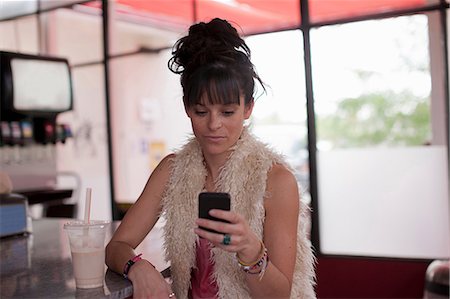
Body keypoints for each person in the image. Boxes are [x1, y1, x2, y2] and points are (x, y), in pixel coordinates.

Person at [105, 18, 316, 299]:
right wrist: (137, 266)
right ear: (187, 108)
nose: (214, 125)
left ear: (248, 108)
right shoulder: (172, 170)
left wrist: (250, 249)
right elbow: (116, 246)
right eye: (201, 111)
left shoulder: (276, 180)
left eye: (227, 112)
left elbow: (278, 296)